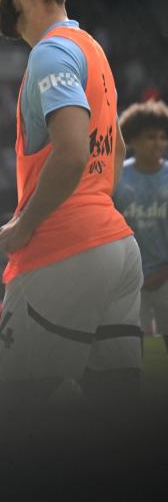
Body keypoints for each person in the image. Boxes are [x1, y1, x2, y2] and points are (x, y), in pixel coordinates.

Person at [0, 0, 142, 410]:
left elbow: (73, 152)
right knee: (115, 416)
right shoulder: (91, 49)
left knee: (16, 417)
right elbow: (114, 147)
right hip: (117, 248)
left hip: (61, 249)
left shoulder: (50, 53)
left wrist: (24, 225)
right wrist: (94, 209)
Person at [112, 99, 168, 353]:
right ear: (132, 140)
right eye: (149, 137)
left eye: (161, 137)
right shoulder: (116, 178)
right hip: (130, 281)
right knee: (130, 353)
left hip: (166, 278)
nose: (158, 143)